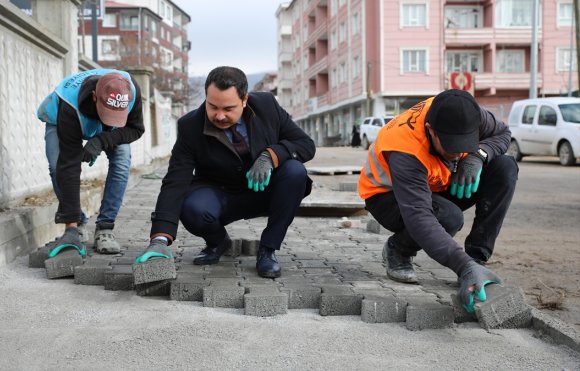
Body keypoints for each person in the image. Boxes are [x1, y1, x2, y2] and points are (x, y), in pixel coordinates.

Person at [137, 66, 315, 278]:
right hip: (220, 196)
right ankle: (219, 242)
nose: (219, 116)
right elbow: (175, 180)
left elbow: (305, 144)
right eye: (213, 107)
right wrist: (159, 238)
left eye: (228, 109)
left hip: (264, 192)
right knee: (192, 207)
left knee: (295, 172)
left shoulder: (267, 106)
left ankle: (267, 250)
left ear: (245, 100)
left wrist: (271, 156)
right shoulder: (189, 126)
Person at [358, 89, 518, 312]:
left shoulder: (467, 113)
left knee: (505, 167)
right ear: (431, 131)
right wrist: (461, 266)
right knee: (448, 217)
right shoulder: (404, 148)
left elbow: (502, 134)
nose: (458, 151)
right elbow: (419, 217)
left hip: (438, 183)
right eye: (451, 145)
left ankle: (477, 260)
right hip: (388, 196)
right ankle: (399, 249)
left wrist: (477, 156)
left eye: (465, 143)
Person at [36, 69, 144, 254]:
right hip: (64, 117)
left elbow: (136, 129)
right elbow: (69, 164)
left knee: (122, 160)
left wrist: (101, 141)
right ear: (94, 96)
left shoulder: (131, 91)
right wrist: (70, 226)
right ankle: (77, 224)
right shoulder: (69, 104)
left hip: (105, 127)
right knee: (57, 166)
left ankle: (105, 229)